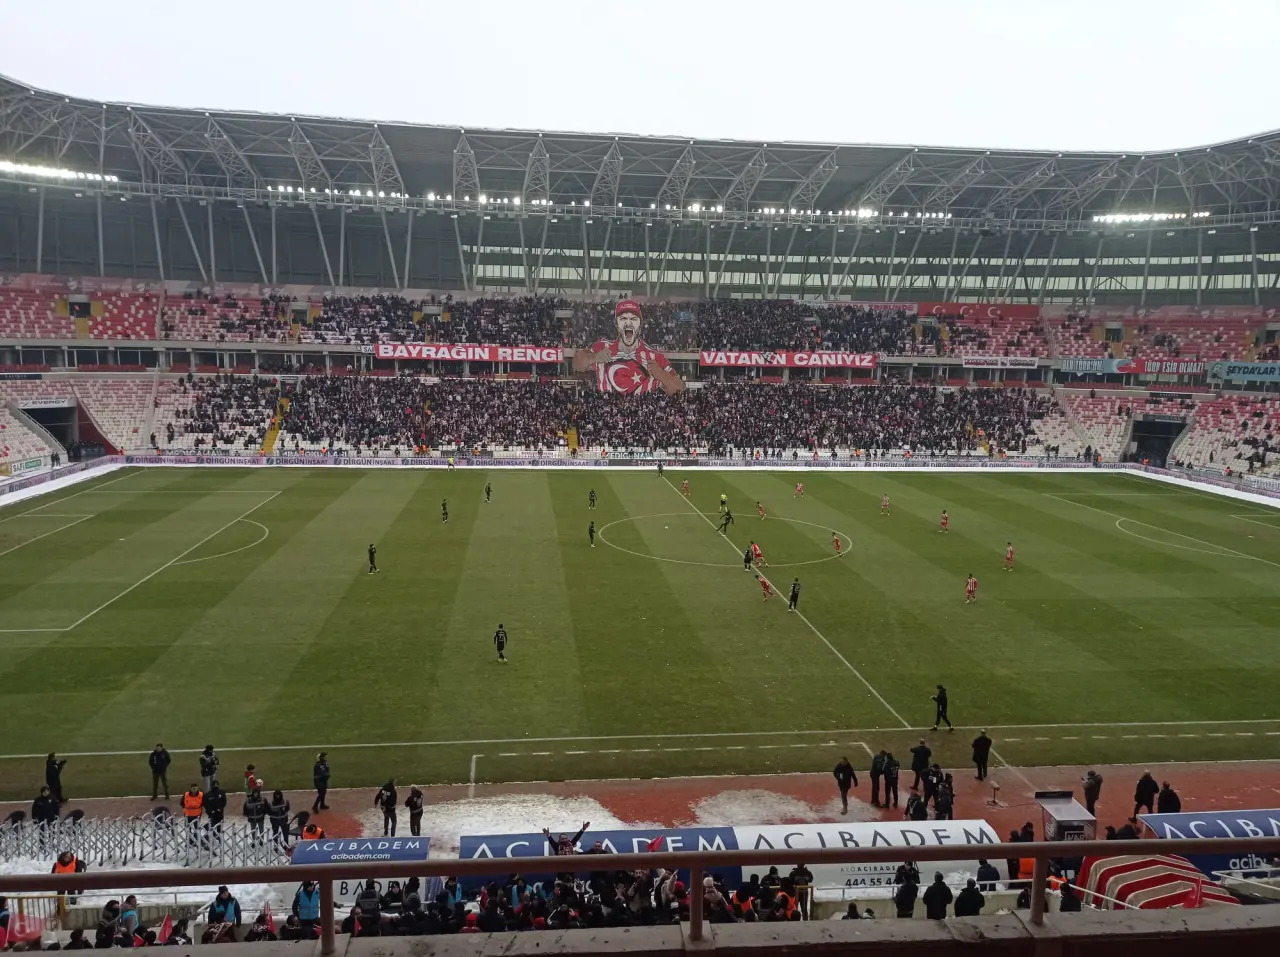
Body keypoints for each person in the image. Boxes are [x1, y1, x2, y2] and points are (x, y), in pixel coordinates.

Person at [573, 299, 684, 395]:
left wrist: (662, 375)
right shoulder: (603, 347)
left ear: (640, 325)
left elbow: (681, 389)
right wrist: (594, 357)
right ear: (616, 324)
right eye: (623, 318)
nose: (628, 323)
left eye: (634, 319)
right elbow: (576, 364)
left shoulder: (654, 357)